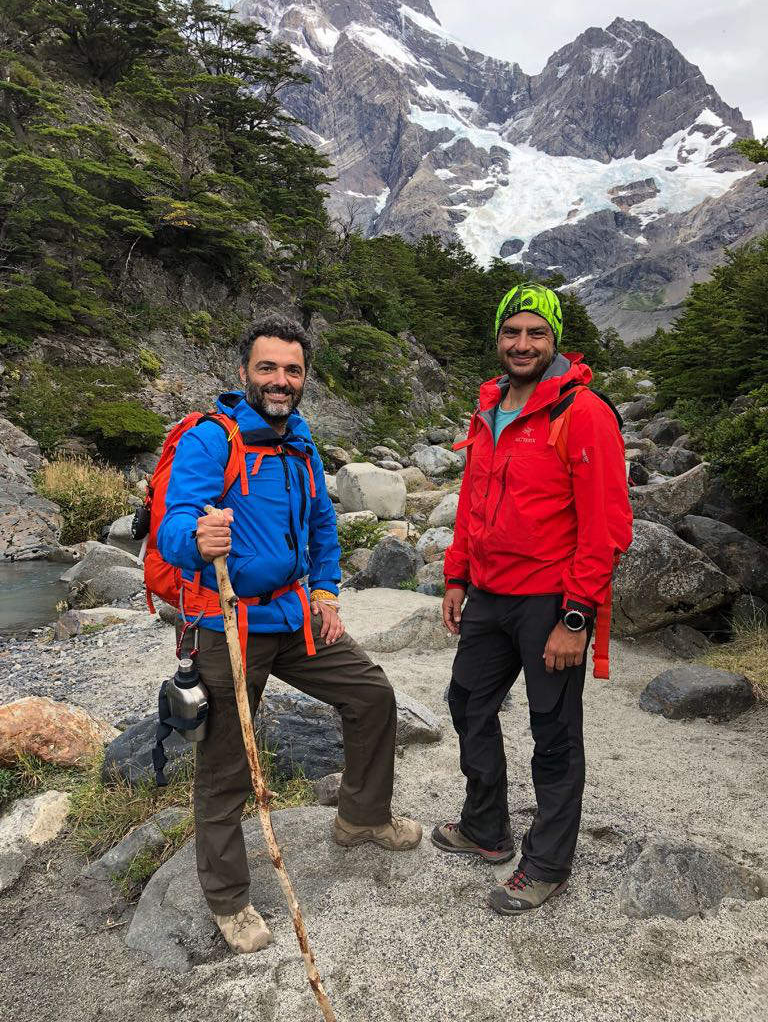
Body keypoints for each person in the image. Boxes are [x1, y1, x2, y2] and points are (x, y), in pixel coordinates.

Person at [158, 314, 421, 954]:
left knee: (371, 695)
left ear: (305, 379)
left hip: (293, 615)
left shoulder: (299, 444)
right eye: (268, 368)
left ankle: (361, 816)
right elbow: (170, 530)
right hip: (228, 622)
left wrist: (327, 592)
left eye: (293, 370)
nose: (281, 381)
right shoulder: (209, 442)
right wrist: (197, 538)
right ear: (244, 371)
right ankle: (228, 898)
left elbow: (324, 530)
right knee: (226, 765)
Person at [433, 284, 632, 915]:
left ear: (555, 341)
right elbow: (473, 498)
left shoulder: (583, 412)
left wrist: (576, 616)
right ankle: (486, 827)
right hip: (489, 594)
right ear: (498, 338)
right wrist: (457, 574)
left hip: (550, 599)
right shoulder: (490, 406)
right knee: (467, 703)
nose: (522, 345)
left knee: (553, 732)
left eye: (536, 334)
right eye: (512, 332)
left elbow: (605, 525)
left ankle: (547, 861)